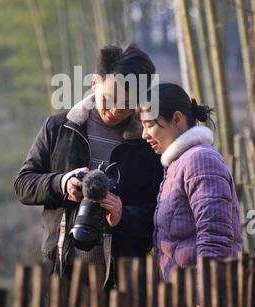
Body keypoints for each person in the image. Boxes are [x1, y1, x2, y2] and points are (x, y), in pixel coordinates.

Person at [14, 44, 163, 287]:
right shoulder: (59, 127)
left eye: (127, 105)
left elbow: (161, 212)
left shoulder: (148, 143)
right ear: (95, 83)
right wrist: (61, 183)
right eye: (109, 99)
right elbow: (23, 184)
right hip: (61, 269)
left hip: (122, 278)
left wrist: (123, 214)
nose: (115, 111)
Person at [141, 83, 243, 282]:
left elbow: (215, 238)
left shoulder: (200, 160)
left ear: (177, 119)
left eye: (150, 125)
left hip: (203, 300)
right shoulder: (177, 164)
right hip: (183, 297)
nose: (144, 134)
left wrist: (204, 301)